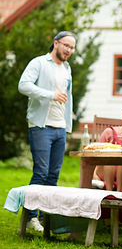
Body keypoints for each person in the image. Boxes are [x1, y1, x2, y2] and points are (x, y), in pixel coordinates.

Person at [18, 31, 77, 232]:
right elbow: (23, 85)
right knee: (40, 173)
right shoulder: (39, 63)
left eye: (72, 47)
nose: (69, 50)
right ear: (56, 43)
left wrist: (68, 123)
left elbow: (67, 98)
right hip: (41, 126)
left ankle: (46, 218)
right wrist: (50, 95)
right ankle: (30, 217)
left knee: (53, 175)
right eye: (66, 45)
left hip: (60, 128)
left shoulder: (67, 68)